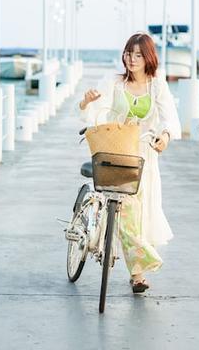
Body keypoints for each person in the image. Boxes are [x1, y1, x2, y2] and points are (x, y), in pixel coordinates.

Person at [77, 32, 181, 293]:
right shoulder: (114, 82)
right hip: (116, 150)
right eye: (128, 54)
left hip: (144, 155)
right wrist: (86, 102)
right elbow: (94, 112)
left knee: (141, 213)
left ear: (148, 58)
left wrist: (165, 136)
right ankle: (138, 272)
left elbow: (169, 118)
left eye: (138, 55)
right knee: (127, 211)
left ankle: (137, 271)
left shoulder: (156, 85)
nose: (132, 59)